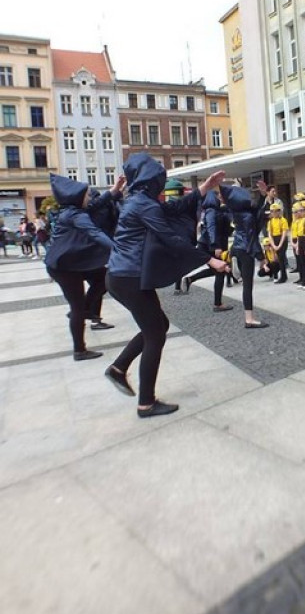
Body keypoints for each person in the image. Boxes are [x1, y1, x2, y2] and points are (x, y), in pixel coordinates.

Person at [106, 153, 229, 418]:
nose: (161, 184)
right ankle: (146, 403)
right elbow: (171, 237)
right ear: (149, 181)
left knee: (158, 325)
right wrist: (209, 260)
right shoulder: (143, 205)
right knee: (155, 334)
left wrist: (203, 188)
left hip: (123, 276)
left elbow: (172, 209)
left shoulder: (139, 201)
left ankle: (118, 368)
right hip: (128, 278)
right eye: (157, 180)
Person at [45, 174, 113, 361]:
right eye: (87, 195)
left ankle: (87, 309)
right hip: (64, 268)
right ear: (77, 197)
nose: (90, 198)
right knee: (76, 306)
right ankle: (79, 350)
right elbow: (95, 233)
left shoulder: (71, 210)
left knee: (103, 277)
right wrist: (117, 249)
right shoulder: (75, 215)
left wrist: (114, 190)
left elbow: (97, 205)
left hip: (71, 262)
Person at [219, 180, 269, 328]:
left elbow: (257, 209)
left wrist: (262, 195)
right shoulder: (247, 216)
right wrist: (261, 257)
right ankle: (249, 319)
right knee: (248, 286)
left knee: (246, 285)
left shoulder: (236, 212)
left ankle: (235, 268)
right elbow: (252, 237)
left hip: (237, 247)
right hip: (246, 249)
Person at [83, 176, 126, 330]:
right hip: (92, 253)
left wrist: (118, 192)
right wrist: (115, 189)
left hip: (99, 251)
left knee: (99, 284)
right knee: (100, 283)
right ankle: (86, 311)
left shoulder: (106, 207)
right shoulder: (88, 209)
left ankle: (91, 315)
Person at [182, 190, 234, 311]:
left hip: (207, 245)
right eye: (218, 196)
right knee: (220, 271)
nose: (220, 198)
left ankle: (190, 279)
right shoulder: (211, 211)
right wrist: (216, 246)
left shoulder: (214, 210)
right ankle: (218, 304)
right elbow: (211, 228)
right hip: (210, 246)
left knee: (217, 271)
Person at [267, 202, 289, 283]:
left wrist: (279, 245)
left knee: (281, 258)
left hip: (282, 239)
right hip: (274, 239)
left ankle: (283, 276)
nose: (274, 213)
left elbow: (284, 233)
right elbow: (269, 234)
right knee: (278, 259)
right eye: (272, 211)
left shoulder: (283, 220)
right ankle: (280, 275)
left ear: (279, 211)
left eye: (276, 211)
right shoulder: (271, 221)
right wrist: (273, 245)